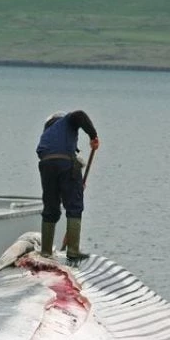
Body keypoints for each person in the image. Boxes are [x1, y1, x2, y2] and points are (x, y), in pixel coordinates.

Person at [35, 110, 99, 259]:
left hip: (46, 166)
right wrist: (93, 136)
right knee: (74, 206)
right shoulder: (66, 121)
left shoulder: (47, 134)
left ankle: (46, 252)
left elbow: (55, 159)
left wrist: (75, 183)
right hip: (65, 164)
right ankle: (73, 251)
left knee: (50, 207)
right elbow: (80, 115)